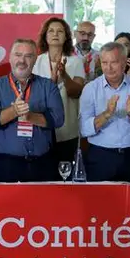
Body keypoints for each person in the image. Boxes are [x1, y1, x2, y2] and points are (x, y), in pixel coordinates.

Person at [0, 38, 64, 182]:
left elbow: (58, 119)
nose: (22, 60)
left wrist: (30, 117)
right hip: (6, 164)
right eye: (18, 55)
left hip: (42, 164)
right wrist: (14, 111)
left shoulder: (48, 86)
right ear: (10, 57)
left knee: (41, 205)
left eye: (28, 56)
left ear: (35, 59)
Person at [79, 42, 130, 182]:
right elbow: (84, 129)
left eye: (114, 62)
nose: (109, 67)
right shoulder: (90, 89)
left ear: (125, 63)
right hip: (101, 156)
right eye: (105, 62)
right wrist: (107, 113)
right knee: (99, 202)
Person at [32, 17, 85, 169]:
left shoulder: (75, 61)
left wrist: (64, 75)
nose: (55, 34)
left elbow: (76, 92)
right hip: (41, 128)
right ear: (45, 36)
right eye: (51, 31)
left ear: (67, 36)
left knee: (66, 174)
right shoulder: (36, 61)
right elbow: (33, 94)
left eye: (60, 31)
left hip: (68, 128)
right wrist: (52, 82)